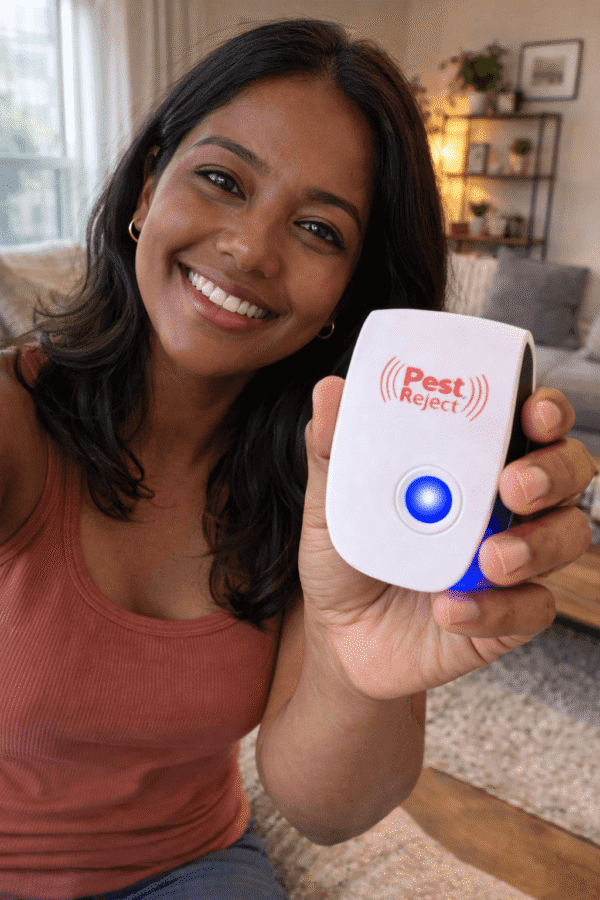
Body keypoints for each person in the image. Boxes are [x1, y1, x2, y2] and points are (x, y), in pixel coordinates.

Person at [0, 17, 596, 900]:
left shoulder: (329, 487)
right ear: (147, 188)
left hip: (189, 866)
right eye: (220, 180)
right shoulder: (15, 421)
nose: (249, 248)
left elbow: (325, 809)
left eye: (319, 229)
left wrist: (361, 666)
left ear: (347, 295)